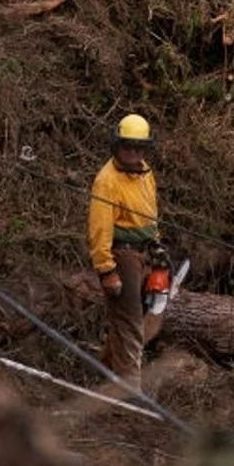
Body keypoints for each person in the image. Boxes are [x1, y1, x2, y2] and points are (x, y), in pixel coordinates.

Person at [86, 114, 162, 391]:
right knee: (130, 322)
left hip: (146, 251)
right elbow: (99, 229)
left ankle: (107, 371)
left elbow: (150, 213)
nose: (133, 154)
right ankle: (130, 391)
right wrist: (106, 269)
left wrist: (157, 245)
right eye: (128, 147)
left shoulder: (145, 172)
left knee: (139, 317)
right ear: (116, 145)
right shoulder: (107, 181)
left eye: (139, 148)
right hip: (122, 255)